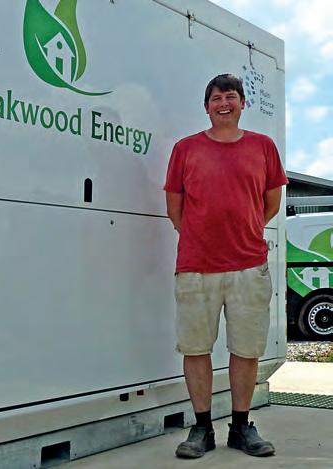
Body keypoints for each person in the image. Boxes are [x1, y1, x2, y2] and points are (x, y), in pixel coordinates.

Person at [164, 74, 288, 459]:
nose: (223, 104)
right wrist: (202, 238)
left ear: (242, 103)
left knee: (246, 350)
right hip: (196, 266)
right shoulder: (185, 149)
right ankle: (201, 429)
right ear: (206, 107)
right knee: (195, 348)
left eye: (230, 97)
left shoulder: (263, 147)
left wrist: (244, 232)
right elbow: (174, 208)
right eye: (216, 98)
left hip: (248, 266)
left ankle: (241, 427)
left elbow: (271, 202)